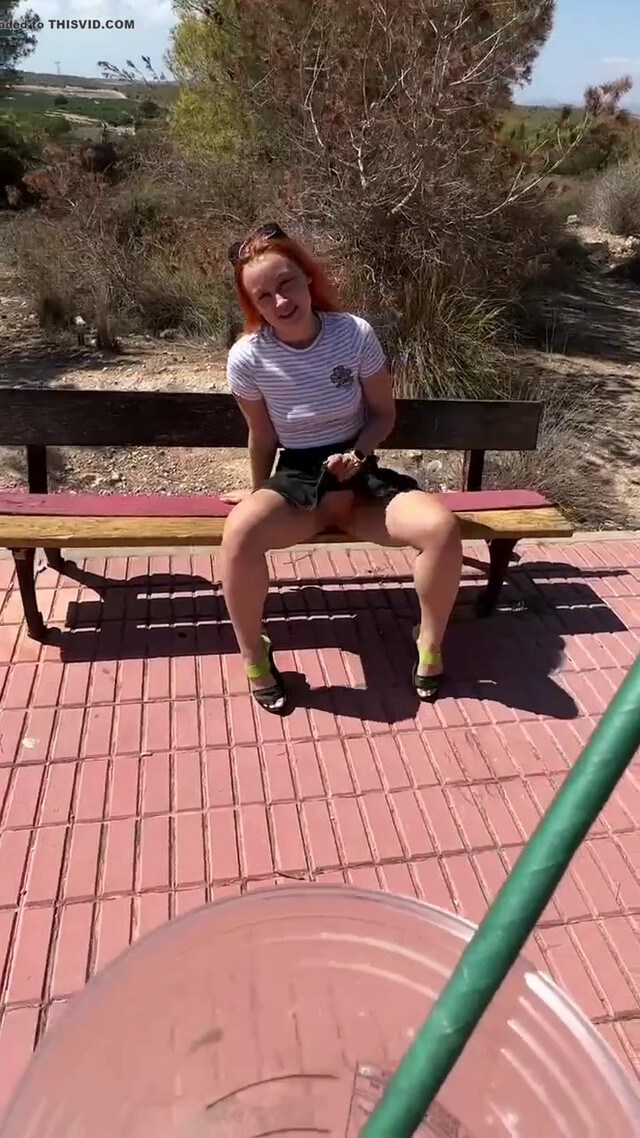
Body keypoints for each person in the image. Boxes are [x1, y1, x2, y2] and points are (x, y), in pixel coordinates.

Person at [220, 223, 462, 714]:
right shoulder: (247, 357)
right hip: (298, 482)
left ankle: (429, 642)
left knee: (441, 528)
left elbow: (383, 414)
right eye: (263, 296)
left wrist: (358, 454)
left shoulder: (353, 333)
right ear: (253, 304)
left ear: (307, 277)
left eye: (286, 283)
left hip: (360, 475)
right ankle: (253, 655)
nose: (280, 301)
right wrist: (257, 491)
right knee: (239, 532)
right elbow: (262, 435)